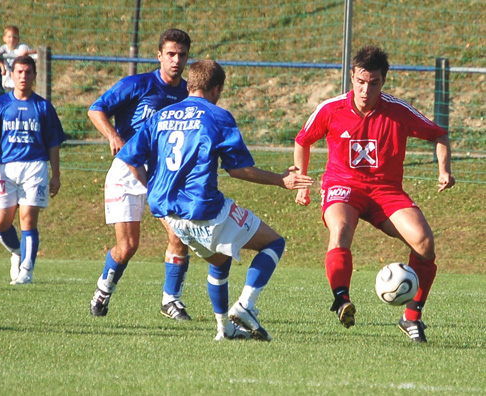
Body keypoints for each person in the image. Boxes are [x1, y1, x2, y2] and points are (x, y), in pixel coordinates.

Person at [118, 59, 315, 341]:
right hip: (206, 210)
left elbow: (129, 157)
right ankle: (245, 306)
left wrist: (152, 190)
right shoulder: (217, 116)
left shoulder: (160, 116)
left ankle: (224, 329)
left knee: (220, 261)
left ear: (189, 86)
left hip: (173, 217)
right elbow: (238, 169)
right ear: (217, 89)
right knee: (273, 243)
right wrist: (280, 180)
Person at [293, 46, 455, 343]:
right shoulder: (331, 109)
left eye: (374, 83)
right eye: (361, 81)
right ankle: (342, 299)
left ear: (384, 81)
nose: (366, 90)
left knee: (424, 242)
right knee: (340, 229)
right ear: (351, 76)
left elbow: (438, 134)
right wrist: (302, 183)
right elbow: (303, 140)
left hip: (386, 191)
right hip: (343, 186)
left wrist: (444, 170)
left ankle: (412, 317)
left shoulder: (398, 111)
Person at [88, 28, 194, 321]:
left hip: (165, 173)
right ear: (159, 55)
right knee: (128, 246)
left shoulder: (188, 93)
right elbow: (96, 110)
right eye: (170, 54)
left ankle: (171, 300)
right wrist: (112, 135)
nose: (176, 60)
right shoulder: (137, 84)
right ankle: (103, 290)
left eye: (181, 55)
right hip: (127, 169)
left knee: (178, 234)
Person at [0, 56, 66, 285]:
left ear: (34, 75)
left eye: (28, 72)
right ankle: (18, 251)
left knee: (28, 219)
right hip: (6, 167)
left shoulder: (43, 107)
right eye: (19, 72)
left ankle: (26, 270)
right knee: (0, 223)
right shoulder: (0, 104)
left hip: (35, 167)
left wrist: (56, 174)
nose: (23, 76)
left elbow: (53, 143)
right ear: (11, 74)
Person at [0, 25, 37, 91]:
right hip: (8, 83)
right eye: (9, 37)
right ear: (4, 38)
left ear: (18, 38)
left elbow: (38, 53)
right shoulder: (4, 48)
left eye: (14, 37)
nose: (12, 39)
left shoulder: (23, 47)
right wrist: (1, 66)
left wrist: (27, 52)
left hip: (21, 83)